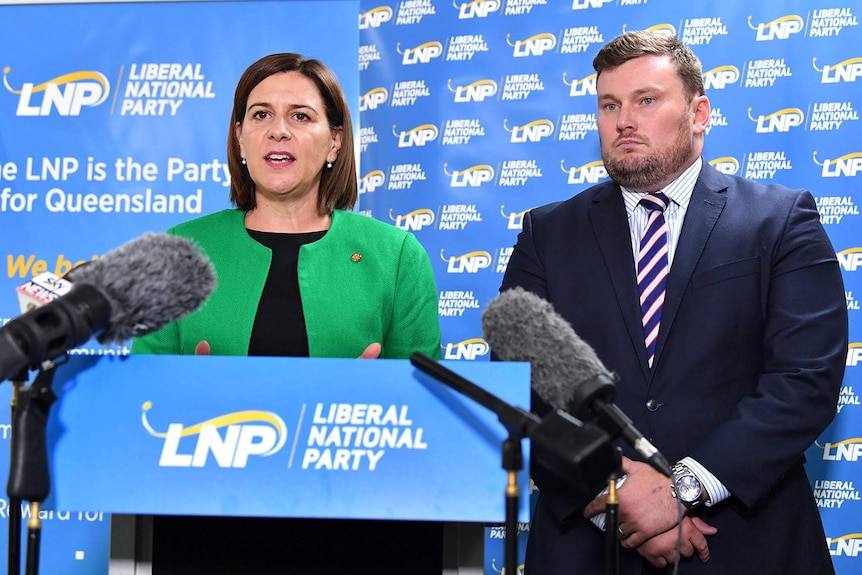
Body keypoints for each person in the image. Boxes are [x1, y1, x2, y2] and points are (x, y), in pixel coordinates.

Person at [499, 30, 847, 575]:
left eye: (646, 100)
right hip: (587, 547)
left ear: (699, 112)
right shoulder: (548, 232)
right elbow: (521, 383)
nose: (623, 120)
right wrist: (614, 496)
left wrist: (679, 490)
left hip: (744, 541)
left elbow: (805, 380)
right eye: (609, 104)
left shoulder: (779, 221)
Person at [131, 53, 443, 574]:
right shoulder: (181, 250)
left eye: (300, 116)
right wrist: (187, 395)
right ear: (239, 137)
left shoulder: (395, 256)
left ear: (335, 141)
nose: (278, 131)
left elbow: (429, 416)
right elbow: (138, 402)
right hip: (207, 527)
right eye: (260, 115)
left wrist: (376, 402)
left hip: (360, 531)